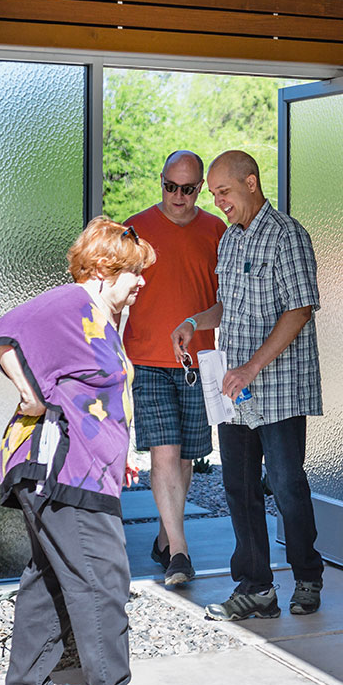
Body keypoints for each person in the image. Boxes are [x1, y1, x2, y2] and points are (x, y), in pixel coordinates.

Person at [0, 217, 171, 685]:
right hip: (63, 470)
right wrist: (29, 394)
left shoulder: (100, 320)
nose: (140, 282)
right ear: (102, 268)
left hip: (72, 469)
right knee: (103, 578)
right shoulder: (74, 302)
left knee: (50, 575)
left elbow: (98, 396)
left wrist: (124, 455)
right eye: (133, 272)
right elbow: (7, 332)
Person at [171, 149, 325, 621]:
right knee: (238, 487)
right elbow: (227, 306)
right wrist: (195, 321)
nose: (216, 201)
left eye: (223, 192)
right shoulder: (230, 241)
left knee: (286, 485)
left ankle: (307, 577)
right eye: (212, 193)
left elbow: (299, 310)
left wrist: (252, 368)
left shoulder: (287, 236)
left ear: (251, 183)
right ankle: (256, 587)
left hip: (276, 390)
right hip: (232, 391)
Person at [123, 150, 227, 586]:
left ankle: (167, 537)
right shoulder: (136, 229)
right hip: (148, 359)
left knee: (186, 457)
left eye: (188, 189)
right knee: (164, 452)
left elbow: (227, 303)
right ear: (160, 180)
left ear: (199, 187)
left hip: (199, 361)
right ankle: (180, 553)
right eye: (170, 187)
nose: (178, 197)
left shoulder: (217, 231)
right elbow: (113, 290)